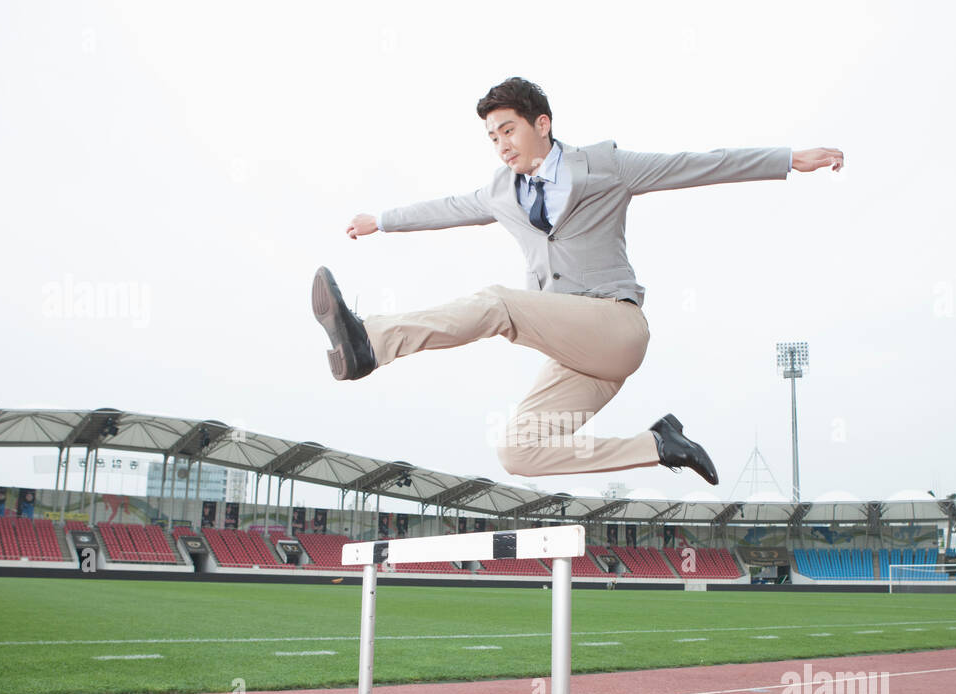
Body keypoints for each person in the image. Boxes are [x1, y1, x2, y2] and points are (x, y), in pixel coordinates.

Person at [313, 77, 843, 485]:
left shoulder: (606, 166)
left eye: (509, 130)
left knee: (499, 303)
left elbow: (696, 164)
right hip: (577, 357)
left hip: (615, 326)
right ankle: (659, 446)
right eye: (492, 136)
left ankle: (373, 341)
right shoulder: (502, 192)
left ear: (541, 123)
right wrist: (380, 220)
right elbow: (447, 207)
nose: (501, 144)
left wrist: (787, 159)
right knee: (517, 449)